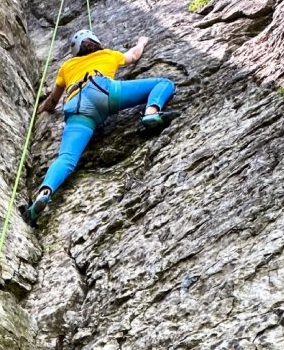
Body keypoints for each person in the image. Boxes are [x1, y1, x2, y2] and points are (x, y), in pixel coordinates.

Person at [24, 30, 176, 224]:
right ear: (96, 43)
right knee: (164, 83)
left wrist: (39, 110)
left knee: (67, 158)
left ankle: (44, 192)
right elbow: (134, 55)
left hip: (77, 106)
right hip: (103, 90)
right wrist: (142, 41)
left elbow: (52, 101)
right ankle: (151, 113)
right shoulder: (108, 54)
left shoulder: (66, 66)